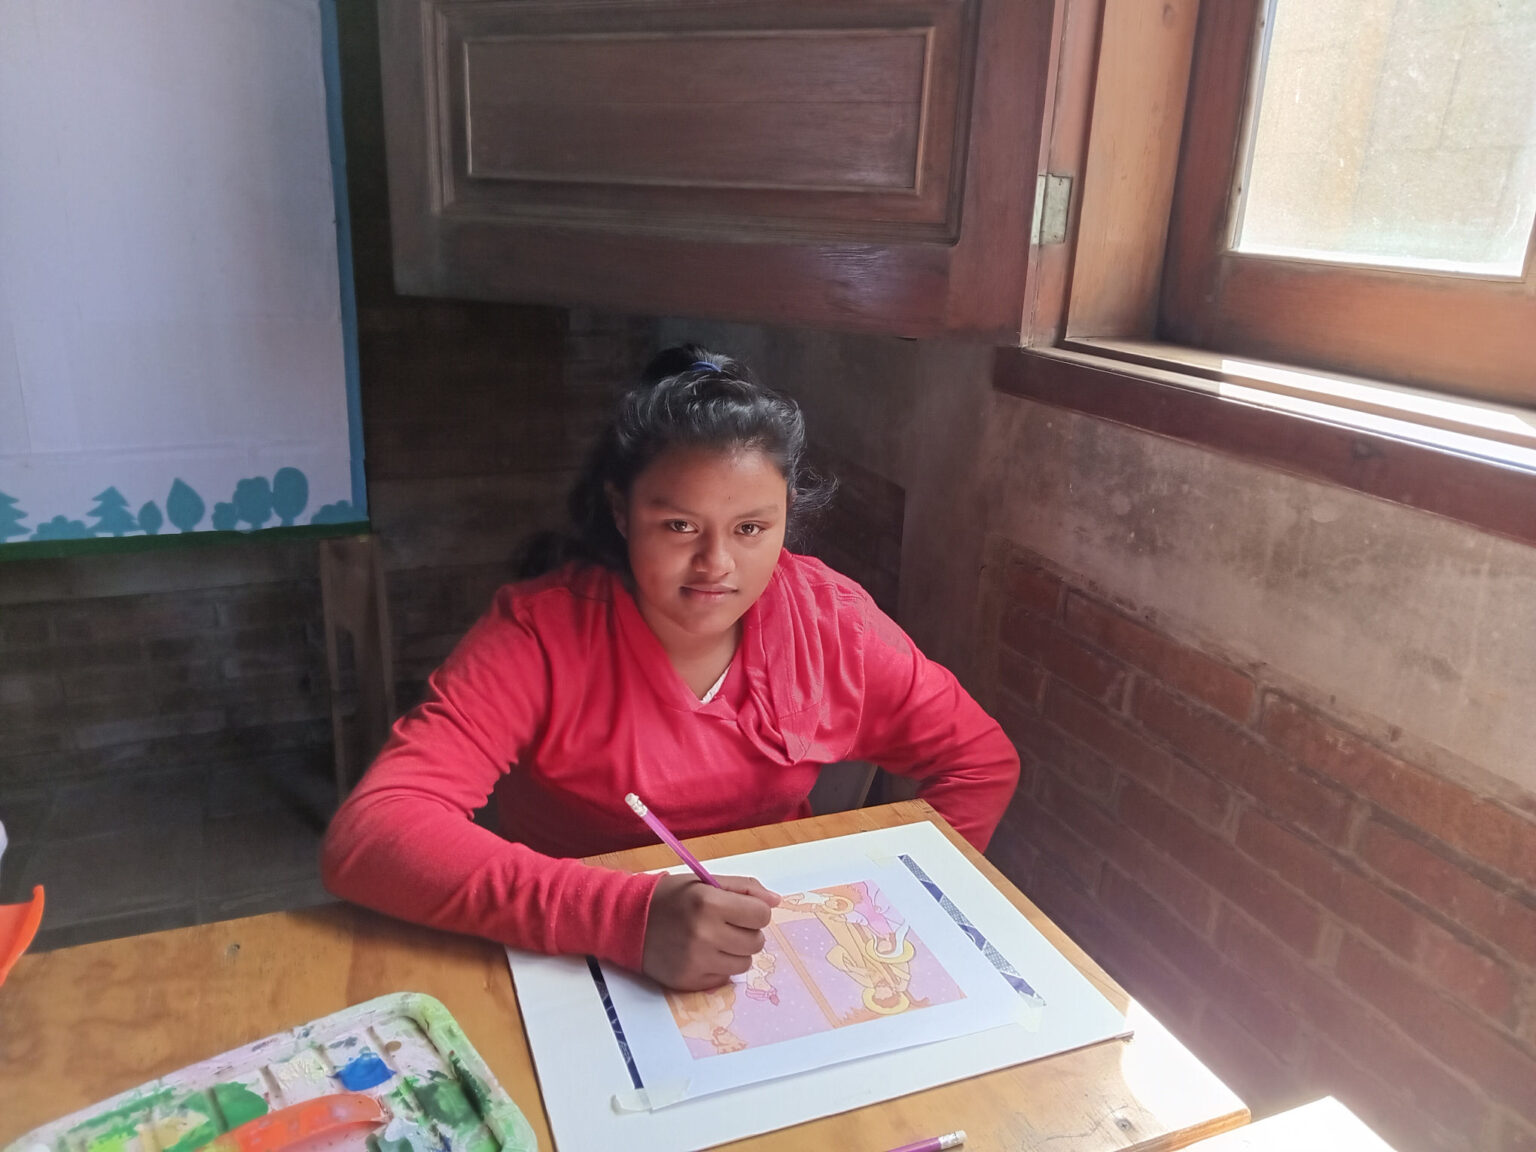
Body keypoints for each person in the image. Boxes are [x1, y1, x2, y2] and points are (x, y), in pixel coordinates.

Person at [321, 345, 1019, 993]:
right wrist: (624, 917)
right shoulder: (540, 636)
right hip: (575, 954)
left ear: (786, 516)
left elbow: (979, 761)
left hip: (773, 951)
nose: (717, 564)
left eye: (751, 529)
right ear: (622, 512)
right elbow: (374, 832)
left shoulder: (830, 622)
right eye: (680, 526)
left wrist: (893, 906)